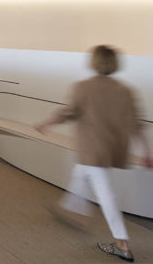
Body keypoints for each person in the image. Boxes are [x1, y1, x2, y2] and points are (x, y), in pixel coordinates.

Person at [34, 45, 152, 262]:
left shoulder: (83, 87)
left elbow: (66, 113)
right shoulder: (125, 91)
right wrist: (146, 152)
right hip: (111, 150)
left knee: (105, 194)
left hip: (91, 149)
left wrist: (45, 123)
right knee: (81, 174)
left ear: (94, 61)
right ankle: (70, 209)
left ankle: (122, 244)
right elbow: (136, 125)